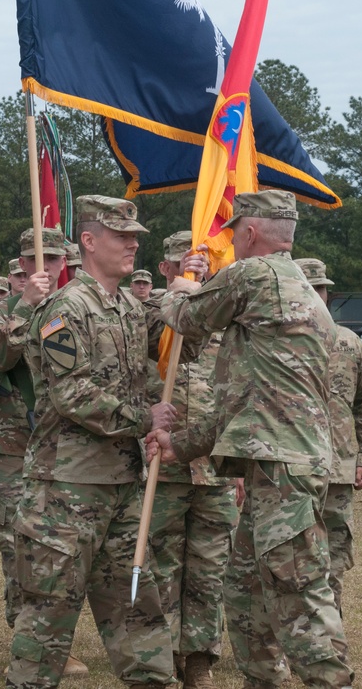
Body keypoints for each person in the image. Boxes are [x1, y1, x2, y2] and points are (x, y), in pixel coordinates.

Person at [145, 190, 353, 689]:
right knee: (244, 593)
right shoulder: (299, 289)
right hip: (276, 465)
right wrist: (183, 445)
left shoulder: (257, 274)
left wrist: (180, 285)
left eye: (233, 232)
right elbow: (243, 401)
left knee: (298, 591)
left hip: (282, 467)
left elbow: (189, 317)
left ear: (250, 233)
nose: (230, 242)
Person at [4, 195, 200, 689]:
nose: (132, 244)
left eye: (135, 237)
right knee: (48, 621)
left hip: (121, 484)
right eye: (121, 236)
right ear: (89, 242)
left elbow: (149, 375)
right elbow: (73, 394)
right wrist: (142, 418)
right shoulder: (64, 308)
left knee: (138, 609)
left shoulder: (128, 309)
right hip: (66, 489)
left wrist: (156, 420)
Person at [0, 226, 92, 678]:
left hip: (65, 444)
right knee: (15, 542)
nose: (43, 268)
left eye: (52, 260)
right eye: (33, 261)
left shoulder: (78, 309)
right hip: (12, 444)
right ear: (21, 265)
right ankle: (27, 637)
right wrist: (26, 307)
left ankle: (58, 640)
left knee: (67, 545)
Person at [147, 231, 239, 688]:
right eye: (181, 264)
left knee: (209, 569)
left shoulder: (226, 320)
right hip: (162, 467)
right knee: (162, 567)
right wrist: (177, 297)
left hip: (216, 467)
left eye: (201, 264)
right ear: (164, 268)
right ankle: (163, 658)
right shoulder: (145, 313)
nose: (192, 270)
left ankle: (199, 658)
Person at [296, 257, 362, 614]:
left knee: (334, 556)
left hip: (339, 470)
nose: (315, 296)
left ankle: (330, 636)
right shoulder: (273, 343)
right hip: (291, 470)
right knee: (290, 557)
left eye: (320, 289)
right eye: (308, 289)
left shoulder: (349, 344)